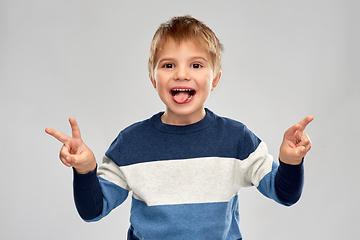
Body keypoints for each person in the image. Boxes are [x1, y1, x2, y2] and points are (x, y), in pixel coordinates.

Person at [45, 15, 313, 240]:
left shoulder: (236, 139)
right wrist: (85, 170)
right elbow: (93, 210)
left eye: (196, 65)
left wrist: (290, 162)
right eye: (169, 65)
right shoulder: (130, 144)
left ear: (215, 79)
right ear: (153, 78)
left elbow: (284, 194)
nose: (181, 74)